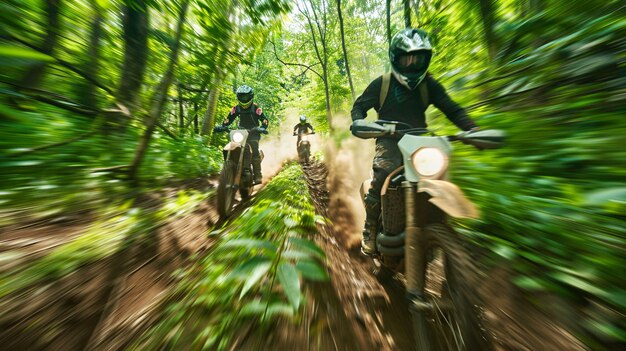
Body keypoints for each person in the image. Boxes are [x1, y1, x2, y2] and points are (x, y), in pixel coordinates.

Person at [351, 28, 479, 255]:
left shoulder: (430, 85)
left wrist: (473, 130)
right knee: (384, 171)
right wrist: (359, 121)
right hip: (388, 140)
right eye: (406, 58)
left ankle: (436, 224)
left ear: (426, 59)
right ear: (395, 58)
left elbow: (453, 110)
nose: (411, 64)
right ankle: (370, 227)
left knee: (440, 174)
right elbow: (360, 106)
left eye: (417, 59)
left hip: (420, 142)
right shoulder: (383, 83)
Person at [219, 85, 269, 184]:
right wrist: (223, 126)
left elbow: (264, 119)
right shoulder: (236, 108)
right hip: (241, 132)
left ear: (250, 96)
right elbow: (228, 119)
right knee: (233, 146)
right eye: (241, 96)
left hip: (254, 132)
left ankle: (257, 174)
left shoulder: (256, 108)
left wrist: (262, 127)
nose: (244, 99)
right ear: (238, 97)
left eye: (245, 96)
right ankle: (230, 167)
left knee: (254, 149)